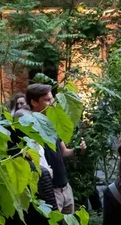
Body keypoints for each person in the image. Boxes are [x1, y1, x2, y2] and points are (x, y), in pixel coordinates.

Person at [25, 83, 83, 213]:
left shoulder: (52, 123)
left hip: (65, 188)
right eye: (47, 100)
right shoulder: (28, 127)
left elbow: (63, 152)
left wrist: (77, 149)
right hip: (50, 191)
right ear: (34, 102)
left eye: (52, 99)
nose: (52, 103)